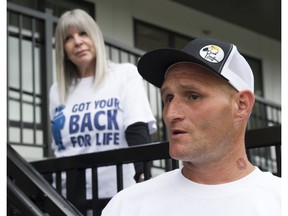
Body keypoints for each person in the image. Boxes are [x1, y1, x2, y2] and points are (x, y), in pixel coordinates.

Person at [101, 38, 281, 216]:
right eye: (168, 98)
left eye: (193, 96)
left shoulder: (278, 201)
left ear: (241, 105)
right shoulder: (127, 205)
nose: (171, 114)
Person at [49, 9, 157, 200]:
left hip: (119, 196)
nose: (78, 41)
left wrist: (144, 176)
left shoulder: (124, 75)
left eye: (83, 33)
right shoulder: (57, 90)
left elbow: (137, 129)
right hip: (70, 199)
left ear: (95, 37)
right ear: (62, 49)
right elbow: (59, 147)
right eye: (68, 38)